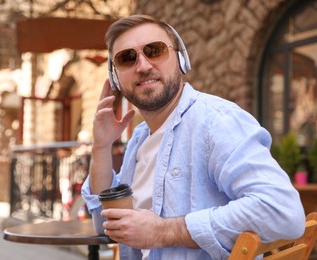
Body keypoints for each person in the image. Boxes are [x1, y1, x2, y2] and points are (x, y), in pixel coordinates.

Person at [81, 14, 305, 259]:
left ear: (181, 59)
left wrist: (163, 231)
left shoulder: (216, 122)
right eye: (127, 58)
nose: (143, 66)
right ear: (116, 77)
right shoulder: (141, 139)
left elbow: (283, 212)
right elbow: (106, 221)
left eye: (154, 51)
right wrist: (101, 145)